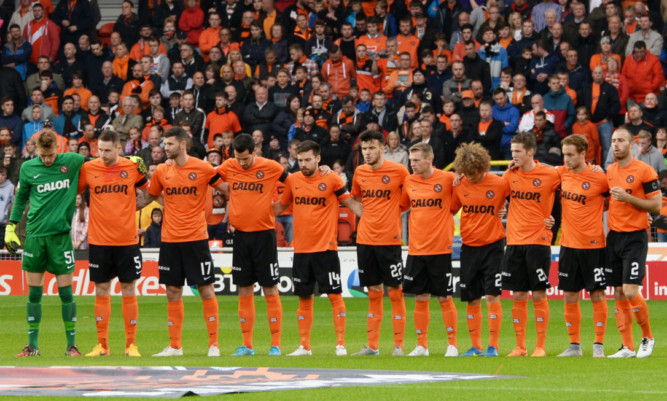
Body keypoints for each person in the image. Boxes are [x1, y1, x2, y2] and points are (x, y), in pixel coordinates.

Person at [274, 140, 362, 356]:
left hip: (326, 248)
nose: (303, 164)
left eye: (307, 160)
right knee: (304, 298)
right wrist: (251, 207)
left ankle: (340, 344)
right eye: (300, 160)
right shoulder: (293, 180)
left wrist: (377, 217)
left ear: (318, 159)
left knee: (334, 295)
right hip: (301, 250)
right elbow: (279, 207)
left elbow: (351, 204)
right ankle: (304, 346)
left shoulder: (331, 178)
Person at [143, 127, 224, 357]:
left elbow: (227, 186)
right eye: (164, 144)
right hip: (169, 239)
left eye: (169, 144)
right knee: (172, 291)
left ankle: (214, 345)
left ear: (182, 145)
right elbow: (151, 195)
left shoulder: (203, 168)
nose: (164, 148)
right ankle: (175, 346)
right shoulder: (161, 170)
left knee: (206, 289)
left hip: (196, 239)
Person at [6, 129, 86, 357]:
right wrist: (12, 226)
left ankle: (72, 346)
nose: (48, 160)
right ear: (38, 151)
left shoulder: (71, 161)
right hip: (34, 237)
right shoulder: (28, 168)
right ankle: (32, 346)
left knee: (66, 294)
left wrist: (127, 161)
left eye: (51, 155)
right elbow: (21, 198)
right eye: (44, 156)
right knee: (33, 294)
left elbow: (100, 161)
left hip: (61, 238)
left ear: (57, 149)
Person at [216, 133, 288, 356]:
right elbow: (208, 176)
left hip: (264, 236)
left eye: (246, 159)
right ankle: (247, 345)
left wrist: (278, 208)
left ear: (254, 152)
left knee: (270, 287)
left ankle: (275, 344)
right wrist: (227, 190)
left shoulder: (271, 166)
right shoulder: (229, 165)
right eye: (239, 158)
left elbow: (295, 182)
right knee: (244, 288)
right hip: (240, 237)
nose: (242, 163)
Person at [78, 130, 148, 358]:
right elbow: (74, 193)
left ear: (118, 148)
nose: (103, 154)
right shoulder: (89, 168)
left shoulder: (132, 167)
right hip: (99, 241)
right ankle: (102, 346)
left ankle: (131, 345)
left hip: (127, 240)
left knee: (128, 288)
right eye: (100, 149)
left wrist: (131, 210)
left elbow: (148, 192)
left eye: (108, 150)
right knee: (101, 289)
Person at [350, 130, 409, 356]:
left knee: (395, 291)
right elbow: (356, 197)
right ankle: (372, 346)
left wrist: (393, 211)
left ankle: (398, 345)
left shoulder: (399, 171)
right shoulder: (360, 172)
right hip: (365, 240)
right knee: (373, 292)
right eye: (364, 148)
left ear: (383, 148)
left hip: (389, 240)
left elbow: (409, 196)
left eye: (372, 148)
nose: (367, 152)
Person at [503, 132, 560, 357]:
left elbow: (574, 179)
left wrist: (554, 219)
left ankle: (540, 346)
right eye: (512, 151)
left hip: (538, 240)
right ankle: (520, 346)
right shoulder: (509, 175)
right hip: (515, 240)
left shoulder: (550, 173)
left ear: (530, 152)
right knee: (518, 295)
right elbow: (494, 193)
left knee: (538, 294)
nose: (514, 155)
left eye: (518, 151)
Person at [398, 142, 458, 357]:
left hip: (440, 249)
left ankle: (452, 344)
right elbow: (402, 206)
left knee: (444, 297)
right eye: (410, 160)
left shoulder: (448, 179)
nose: (412, 164)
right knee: (420, 297)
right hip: (416, 250)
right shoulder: (409, 181)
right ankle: (422, 345)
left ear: (429, 159)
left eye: (415, 160)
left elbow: (465, 199)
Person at [451, 142, 509, 357]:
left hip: (493, 246)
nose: (472, 177)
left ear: (484, 166)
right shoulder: (460, 184)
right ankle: (475, 346)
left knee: (493, 296)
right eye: (467, 173)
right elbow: (450, 209)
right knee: (472, 297)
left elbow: (521, 200)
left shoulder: (500, 183)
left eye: (475, 173)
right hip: (469, 247)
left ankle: (493, 346)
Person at [605, 127, 659, 358]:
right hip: (614, 236)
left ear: (631, 144)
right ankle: (627, 346)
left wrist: (628, 198)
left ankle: (647, 337)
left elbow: (656, 205)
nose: (615, 145)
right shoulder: (609, 170)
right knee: (618, 291)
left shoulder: (644, 171)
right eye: (613, 141)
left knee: (629, 290)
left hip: (635, 237)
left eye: (620, 141)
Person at [557, 134, 609, 358]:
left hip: (594, 245)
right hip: (568, 245)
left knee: (597, 294)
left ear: (582, 154)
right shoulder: (562, 174)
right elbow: (536, 172)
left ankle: (598, 345)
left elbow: (612, 201)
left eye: (570, 155)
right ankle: (574, 346)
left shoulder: (599, 178)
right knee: (570, 295)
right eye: (564, 154)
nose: (566, 159)